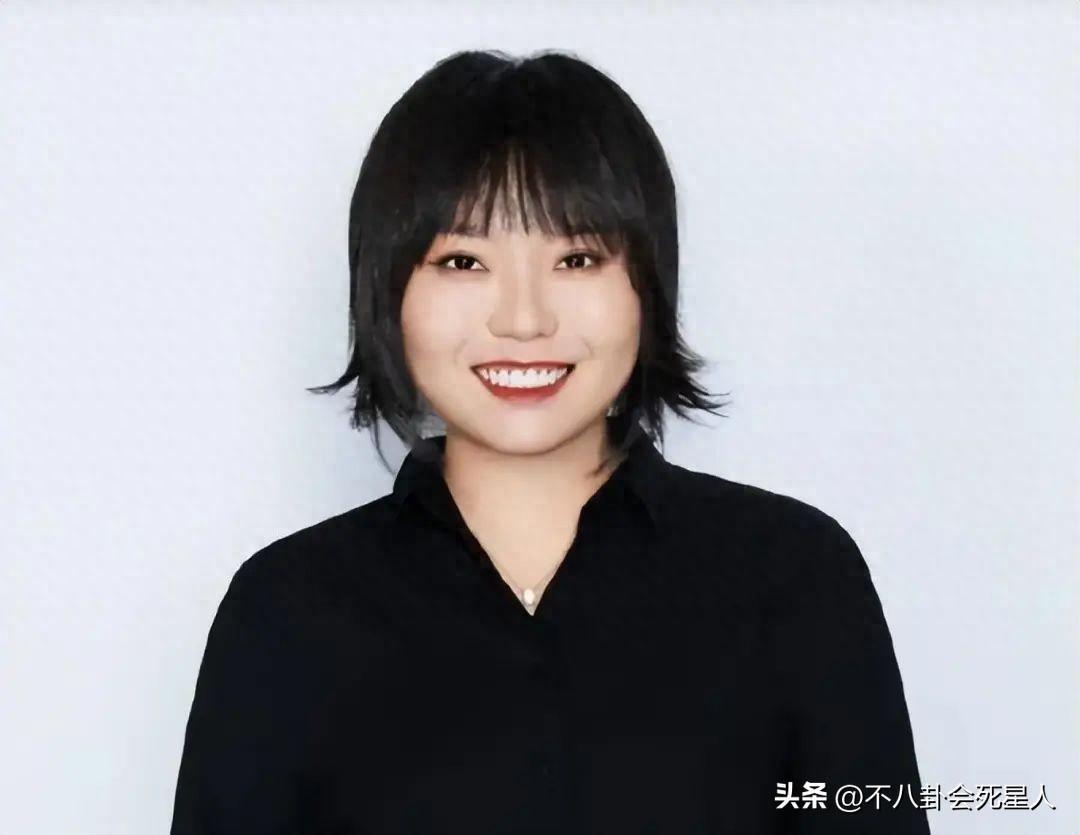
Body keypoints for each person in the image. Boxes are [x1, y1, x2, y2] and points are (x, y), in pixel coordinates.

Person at [170, 49, 931, 834]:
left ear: (646, 286)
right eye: (463, 261)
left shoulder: (795, 578)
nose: (524, 319)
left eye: (577, 258)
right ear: (387, 290)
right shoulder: (287, 613)